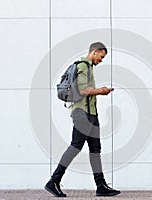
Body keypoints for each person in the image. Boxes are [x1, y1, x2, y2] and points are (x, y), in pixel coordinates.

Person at [45, 42, 121, 197]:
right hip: (82, 113)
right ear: (95, 51)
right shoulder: (83, 66)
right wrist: (101, 91)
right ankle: (53, 181)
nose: (101, 60)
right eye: (101, 56)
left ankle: (101, 186)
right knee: (75, 146)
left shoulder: (89, 67)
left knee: (95, 149)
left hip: (91, 114)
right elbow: (82, 90)